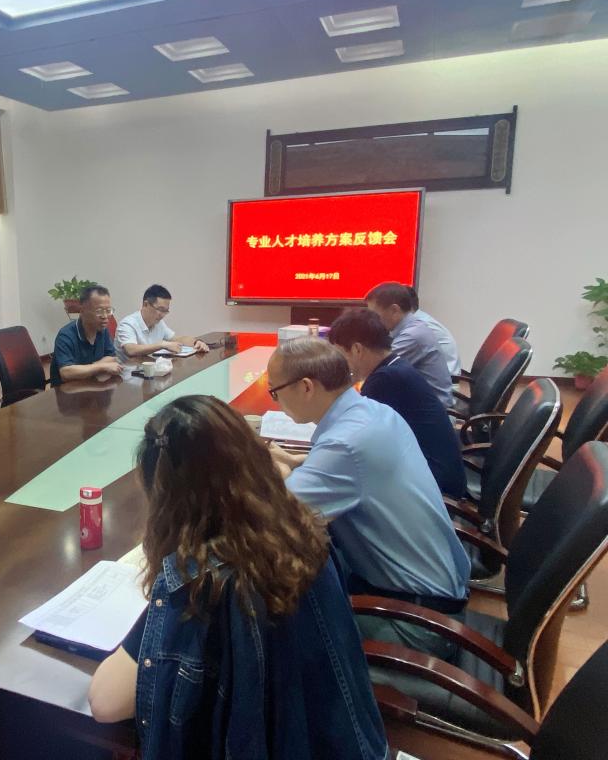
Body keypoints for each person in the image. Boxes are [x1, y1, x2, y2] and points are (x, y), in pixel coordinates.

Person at [87, 395, 388, 760]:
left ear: (163, 495)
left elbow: (105, 701)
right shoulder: (304, 533)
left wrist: (160, 605)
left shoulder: (203, 582)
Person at [266, 338, 470, 659]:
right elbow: (353, 470)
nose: (275, 400)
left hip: (417, 623)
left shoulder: (345, 444)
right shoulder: (373, 413)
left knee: (267, 625)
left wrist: (273, 469)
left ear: (306, 387)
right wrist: (296, 463)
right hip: (431, 593)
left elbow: (274, 518)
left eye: (275, 392)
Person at [328, 308, 466, 499]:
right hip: (438, 470)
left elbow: (357, 441)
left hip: (434, 484)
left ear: (357, 349)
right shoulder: (395, 366)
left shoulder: (385, 380)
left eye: (342, 355)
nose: (343, 364)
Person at [365, 282, 453, 407]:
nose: (373, 320)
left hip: (431, 410)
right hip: (419, 401)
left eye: (375, 315)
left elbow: (374, 367)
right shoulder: (409, 327)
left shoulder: (412, 335)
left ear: (394, 310)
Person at [50, 284, 124, 384]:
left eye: (108, 311)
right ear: (82, 310)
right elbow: (66, 373)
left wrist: (89, 368)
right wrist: (101, 366)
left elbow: (111, 358)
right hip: (68, 389)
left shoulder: (102, 330)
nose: (105, 316)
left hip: (92, 383)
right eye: (99, 311)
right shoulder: (66, 335)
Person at [114, 284, 210, 361]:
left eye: (165, 311)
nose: (162, 315)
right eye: (160, 309)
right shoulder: (128, 324)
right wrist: (161, 345)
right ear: (145, 304)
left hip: (151, 370)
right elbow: (131, 350)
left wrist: (197, 342)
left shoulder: (158, 323)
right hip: (127, 375)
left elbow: (177, 339)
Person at [405, 285, 461, 376]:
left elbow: (395, 358)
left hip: (444, 378)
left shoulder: (419, 325)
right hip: (440, 374)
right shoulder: (419, 319)